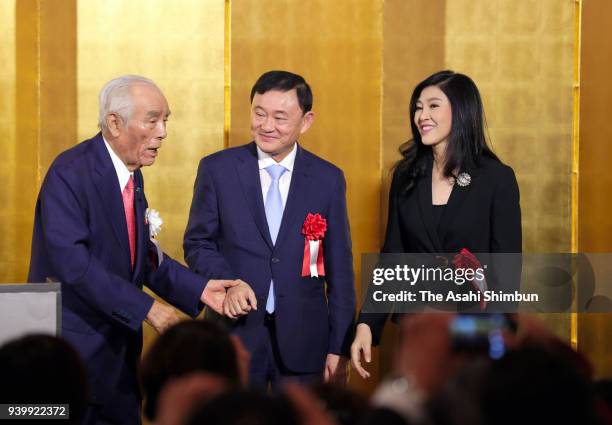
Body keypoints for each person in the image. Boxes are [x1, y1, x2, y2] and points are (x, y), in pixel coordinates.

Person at [28, 75, 237, 424]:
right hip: (73, 360)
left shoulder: (132, 175)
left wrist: (201, 288)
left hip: (119, 363)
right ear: (114, 123)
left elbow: (143, 257)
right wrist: (147, 308)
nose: (163, 132)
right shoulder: (70, 173)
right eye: (152, 119)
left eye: (165, 120)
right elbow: (74, 264)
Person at [184, 70, 355, 388]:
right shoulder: (218, 169)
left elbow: (340, 269)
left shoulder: (327, 180)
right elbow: (198, 243)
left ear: (306, 121)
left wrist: (339, 346)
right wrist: (229, 283)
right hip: (235, 337)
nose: (266, 126)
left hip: (306, 343)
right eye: (259, 113)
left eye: (280, 117)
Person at [351, 70, 522, 379]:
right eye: (418, 107)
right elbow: (393, 257)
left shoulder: (496, 178)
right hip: (418, 326)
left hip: (472, 331)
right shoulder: (406, 176)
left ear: (462, 111)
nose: (422, 116)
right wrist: (367, 324)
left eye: (433, 106)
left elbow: (507, 272)